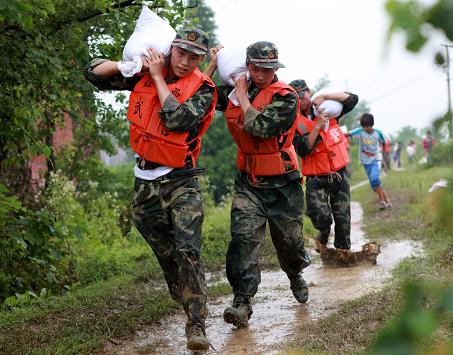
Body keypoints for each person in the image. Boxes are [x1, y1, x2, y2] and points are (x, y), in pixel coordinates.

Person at [84, 28, 216, 351]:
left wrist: (158, 78)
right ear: (171, 49)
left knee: (188, 248)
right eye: (181, 53)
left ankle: (196, 324)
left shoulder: (204, 89)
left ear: (201, 61)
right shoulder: (143, 74)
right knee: (164, 246)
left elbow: (175, 119)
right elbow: (93, 73)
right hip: (145, 181)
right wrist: (128, 65)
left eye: (194, 57)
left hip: (182, 179)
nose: (185, 62)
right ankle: (181, 283)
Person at [205, 42, 311, 328]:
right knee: (243, 239)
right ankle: (242, 301)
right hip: (248, 182)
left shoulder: (286, 97)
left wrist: (240, 94)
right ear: (248, 66)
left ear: (276, 68)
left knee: (289, 242)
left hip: (283, 185)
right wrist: (213, 65)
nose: (262, 73)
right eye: (256, 68)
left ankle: (294, 273)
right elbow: (201, 96)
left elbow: (260, 127)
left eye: (268, 68)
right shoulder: (234, 90)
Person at [289, 79, 358, 252]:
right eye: (295, 97)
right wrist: (317, 126)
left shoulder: (330, 108)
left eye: (302, 95)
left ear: (309, 92)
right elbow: (303, 149)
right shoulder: (293, 121)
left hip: (339, 173)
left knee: (343, 218)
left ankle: (343, 254)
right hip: (315, 177)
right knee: (319, 215)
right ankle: (324, 232)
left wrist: (325, 95)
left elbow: (352, 100)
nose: (300, 101)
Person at [349, 113, 391, 209]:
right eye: (364, 126)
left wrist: (384, 159)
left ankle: (381, 201)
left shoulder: (378, 133)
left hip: (376, 159)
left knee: (375, 179)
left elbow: (384, 143)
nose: (365, 128)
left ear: (372, 124)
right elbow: (347, 134)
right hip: (365, 161)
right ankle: (387, 200)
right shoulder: (360, 131)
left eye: (367, 126)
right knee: (374, 185)